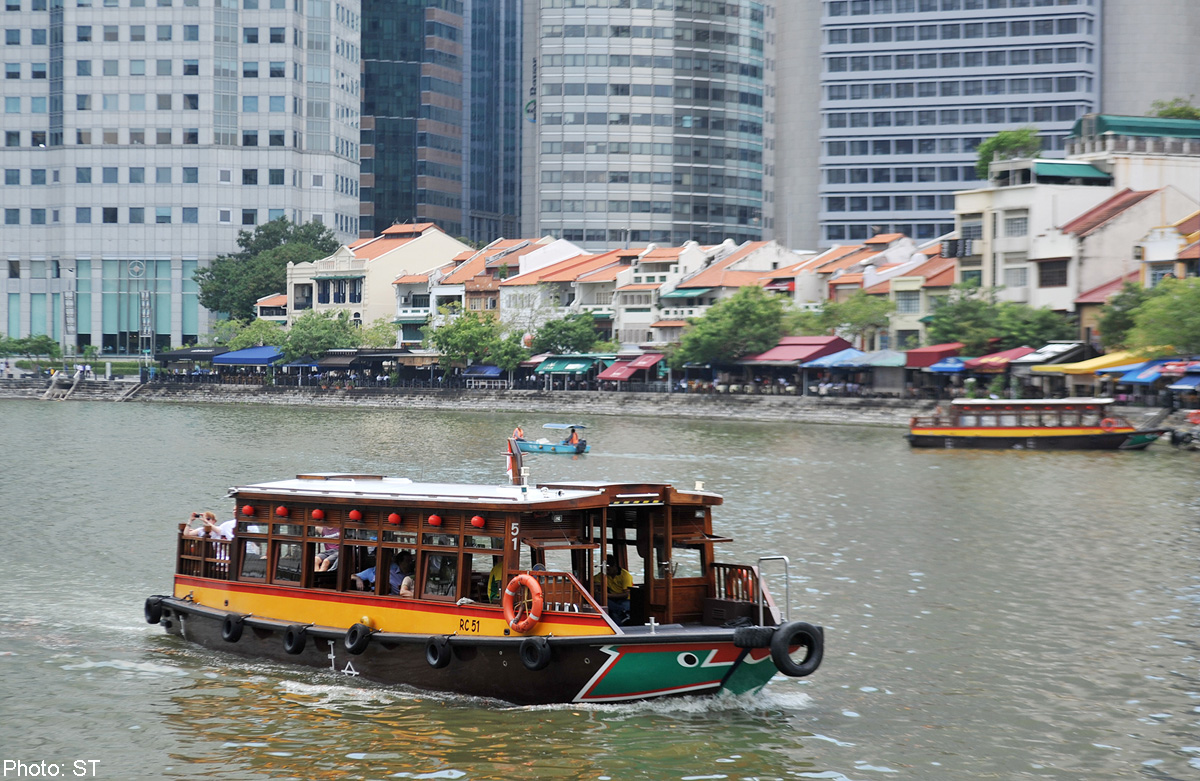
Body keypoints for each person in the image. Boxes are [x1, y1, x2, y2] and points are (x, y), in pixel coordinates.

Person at [605, 554, 633, 626]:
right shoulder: (604, 575)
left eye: (608, 569)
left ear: (614, 566)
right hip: (614, 600)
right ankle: (622, 613)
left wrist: (609, 595)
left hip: (626, 600)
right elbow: (593, 579)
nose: (607, 572)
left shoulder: (625, 576)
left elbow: (626, 594)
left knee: (616, 611)